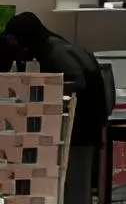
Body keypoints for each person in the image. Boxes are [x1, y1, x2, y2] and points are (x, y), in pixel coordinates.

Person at [1, 13, 113, 204]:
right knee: (76, 184)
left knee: (75, 186)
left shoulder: (53, 51)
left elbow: (76, 83)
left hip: (80, 128)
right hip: (88, 126)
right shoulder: (58, 45)